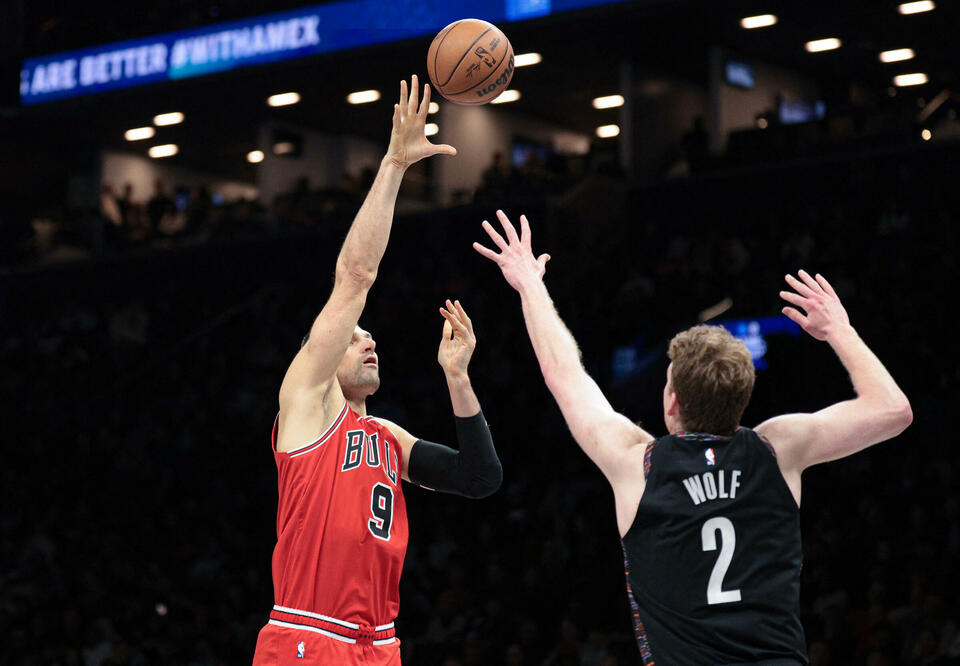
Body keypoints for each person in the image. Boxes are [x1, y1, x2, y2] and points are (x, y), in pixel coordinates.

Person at [473, 210, 912, 664]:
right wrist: (839, 330)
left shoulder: (636, 464)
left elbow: (563, 373)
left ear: (673, 402)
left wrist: (530, 283)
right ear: (741, 399)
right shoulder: (778, 449)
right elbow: (893, 410)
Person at [252, 76, 503, 666]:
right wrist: (393, 165)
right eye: (354, 339)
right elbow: (356, 279)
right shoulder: (308, 405)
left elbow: (479, 478)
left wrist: (459, 380)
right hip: (310, 635)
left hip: (381, 644)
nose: (368, 344)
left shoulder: (389, 439)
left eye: (372, 339)